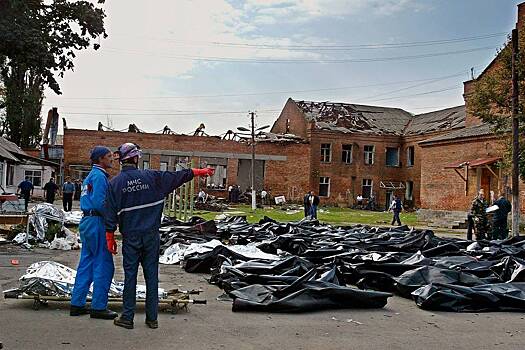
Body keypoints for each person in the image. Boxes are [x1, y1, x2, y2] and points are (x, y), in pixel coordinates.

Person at [106, 143, 214, 330]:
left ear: (122, 160)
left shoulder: (115, 184)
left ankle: (128, 317)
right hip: (151, 236)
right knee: (151, 277)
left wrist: (110, 236)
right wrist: (201, 171)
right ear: (136, 158)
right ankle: (152, 318)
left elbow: (109, 213)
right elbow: (179, 176)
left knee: (130, 277)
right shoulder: (153, 177)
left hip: (130, 237)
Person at [70, 146, 117, 320]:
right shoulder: (99, 177)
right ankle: (98, 306)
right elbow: (100, 203)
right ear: (100, 159)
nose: (112, 159)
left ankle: (77, 303)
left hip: (87, 222)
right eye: (109, 156)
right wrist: (113, 220)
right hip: (97, 222)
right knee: (103, 264)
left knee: (86, 263)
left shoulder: (90, 176)